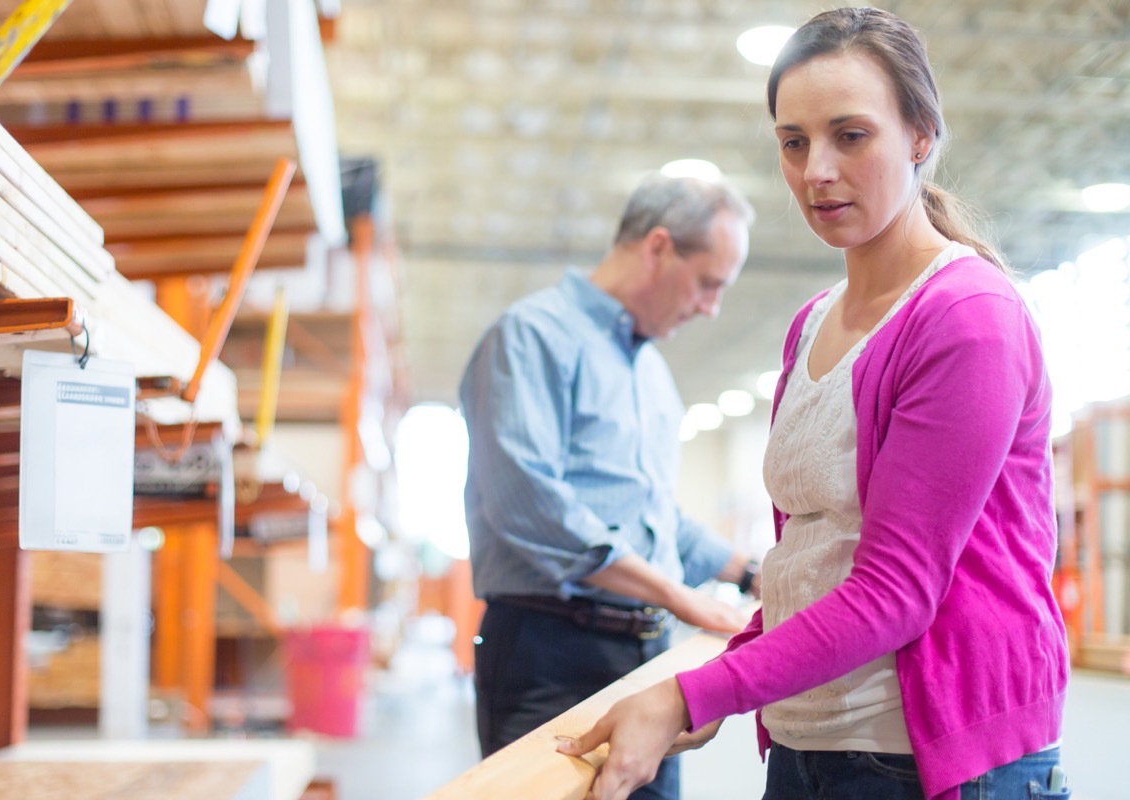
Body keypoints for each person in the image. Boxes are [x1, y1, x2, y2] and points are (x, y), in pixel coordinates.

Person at [558, 8, 1070, 800]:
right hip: (809, 746)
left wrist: (692, 694)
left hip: (929, 763)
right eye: (794, 142)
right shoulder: (811, 325)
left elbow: (896, 590)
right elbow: (812, 563)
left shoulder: (966, 317)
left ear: (921, 136)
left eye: (850, 136)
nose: (816, 171)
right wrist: (732, 674)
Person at [458, 171, 759, 800]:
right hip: (549, 652)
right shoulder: (531, 339)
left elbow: (653, 515)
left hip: (645, 660)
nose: (711, 308)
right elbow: (528, 505)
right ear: (657, 248)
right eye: (708, 283)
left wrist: (751, 575)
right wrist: (678, 595)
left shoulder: (652, 375)